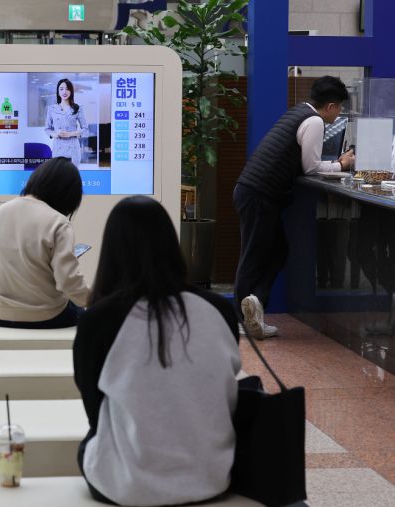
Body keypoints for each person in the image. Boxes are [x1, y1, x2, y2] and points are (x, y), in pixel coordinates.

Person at [74, 196, 240, 506]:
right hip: (212, 477)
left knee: (89, 444)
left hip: (129, 486)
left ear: (111, 251)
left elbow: (95, 413)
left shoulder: (99, 320)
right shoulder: (218, 309)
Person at [234, 76, 355, 339]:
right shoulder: (314, 121)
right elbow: (311, 167)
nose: (340, 113)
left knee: (278, 251)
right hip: (260, 194)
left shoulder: (299, 111)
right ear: (331, 106)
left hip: (255, 191)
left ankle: (254, 307)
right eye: (340, 108)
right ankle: (241, 320)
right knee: (253, 256)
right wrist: (342, 165)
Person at [0, 157, 90, 328]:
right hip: (44, 316)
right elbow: (68, 281)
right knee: (82, 312)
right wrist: (96, 299)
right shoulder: (58, 222)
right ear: (69, 194)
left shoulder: (1, 211)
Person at [45, 78, 88, 166]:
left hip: (73, 148)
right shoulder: (52, 109)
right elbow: (47, 129)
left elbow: (85, 129)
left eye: (67, 89)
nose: (64, 91)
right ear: (58, 91)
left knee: (72, 176)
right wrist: (55, 134)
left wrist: (71, 134)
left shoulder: (78, 108)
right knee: (58, 176)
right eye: (61, 89)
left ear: (71, 91)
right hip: (58, 147)